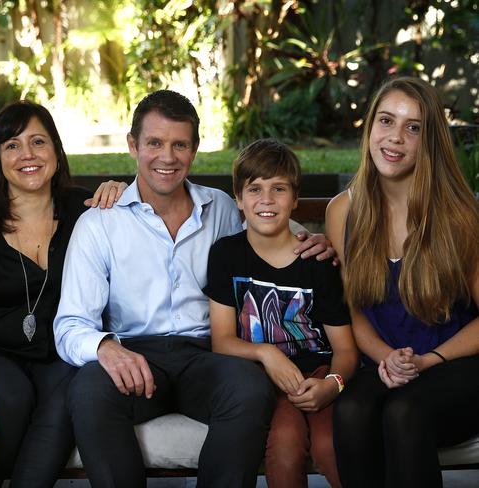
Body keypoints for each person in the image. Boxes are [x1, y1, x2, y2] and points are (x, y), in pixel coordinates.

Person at [54, 90, 335, 488]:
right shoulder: (100, 223)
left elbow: (271, 241)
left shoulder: (221, 208)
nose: (167, 157)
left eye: (179, 145)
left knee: (249, 388)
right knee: (88, 390)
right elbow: (69, 325)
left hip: (208, 355)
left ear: (195, 149)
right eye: (154, 143)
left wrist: (311, 241)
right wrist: (105, 348)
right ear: (133, 145)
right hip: (135, 353)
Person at [0, 100, 125, 487]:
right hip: (0, 353)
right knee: (10, 398)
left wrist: (123, 191)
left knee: (67, 398)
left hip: (63, 351)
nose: (27, 155)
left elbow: (140, 220)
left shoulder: (86, 212)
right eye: (12, 145)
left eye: (37, 142)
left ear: (56, 154)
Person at [327, 76, 479, 488]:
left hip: (457, 363)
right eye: (386, 121)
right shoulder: (343, 210)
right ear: (370, 128)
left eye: (413, 128)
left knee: (404, 412)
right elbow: (353, 310)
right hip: (382, 359)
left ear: (429, 140)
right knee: (352, 412)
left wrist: (428, 361)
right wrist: (386, 358)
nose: (395, 138)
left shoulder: (460, 216)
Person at [204, 139, 358, 488]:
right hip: (265, 379)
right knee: (285, 447)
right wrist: (266, 352)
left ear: (295, 198)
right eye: (255, 189)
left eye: (279, 189)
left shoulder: (317, 261)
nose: (267, 200)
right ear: (239, 200)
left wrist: (332, 385)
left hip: (319, 372)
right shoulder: (226, 256)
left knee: (329, 445)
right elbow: (222, 340)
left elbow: (346, 349)